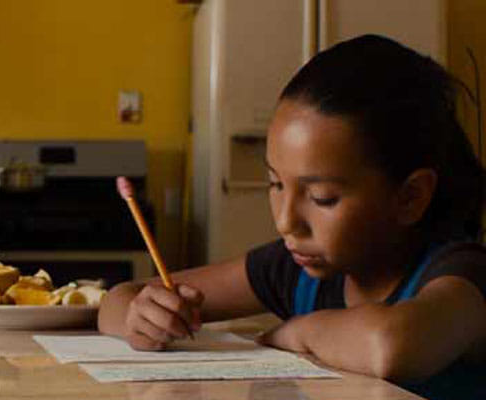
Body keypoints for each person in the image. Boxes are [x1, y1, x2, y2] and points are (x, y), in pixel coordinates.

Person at [98, 35, 486, 400]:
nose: (286, 222)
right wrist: (143, 316)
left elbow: (391, 346)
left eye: (322, 198)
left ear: (410, 197)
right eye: (275, 184)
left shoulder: (464, 274)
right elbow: (117, 299)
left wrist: (295, 332)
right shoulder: (296, 269)